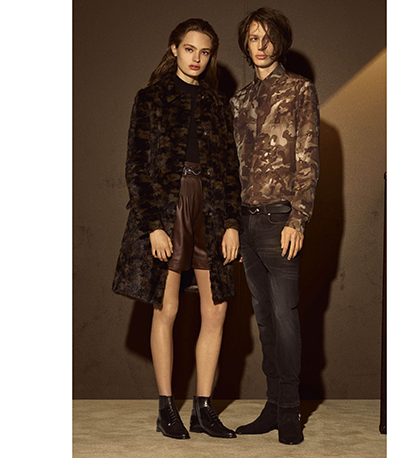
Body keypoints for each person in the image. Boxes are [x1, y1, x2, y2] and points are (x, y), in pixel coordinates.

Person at [112, 18, 241, 440]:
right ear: (174, 49)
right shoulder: (150, 98)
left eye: (204, 52)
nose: (197, 58)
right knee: (166, 308)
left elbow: (230, 169)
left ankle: (203, 408)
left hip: (211, 206)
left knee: (216, 308)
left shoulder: (218, 104)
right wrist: (153, 225)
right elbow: (136, 167)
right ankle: (166, 407)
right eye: (189, 49)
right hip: (168, 207)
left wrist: (231, 223)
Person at [230, 7, 320, 445]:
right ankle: (272, 404)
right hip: (246, 223)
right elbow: (232, 167)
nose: (261, 45)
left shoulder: (299, 90)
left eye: (267, 37)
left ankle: (289, 411)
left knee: (285, 318)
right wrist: (231, 223)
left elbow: (308, 158)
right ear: (245, 45)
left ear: (279, 41)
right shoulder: (239, 101)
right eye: (253, 38)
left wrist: (298, 219)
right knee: (264, 319)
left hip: (280, 220)